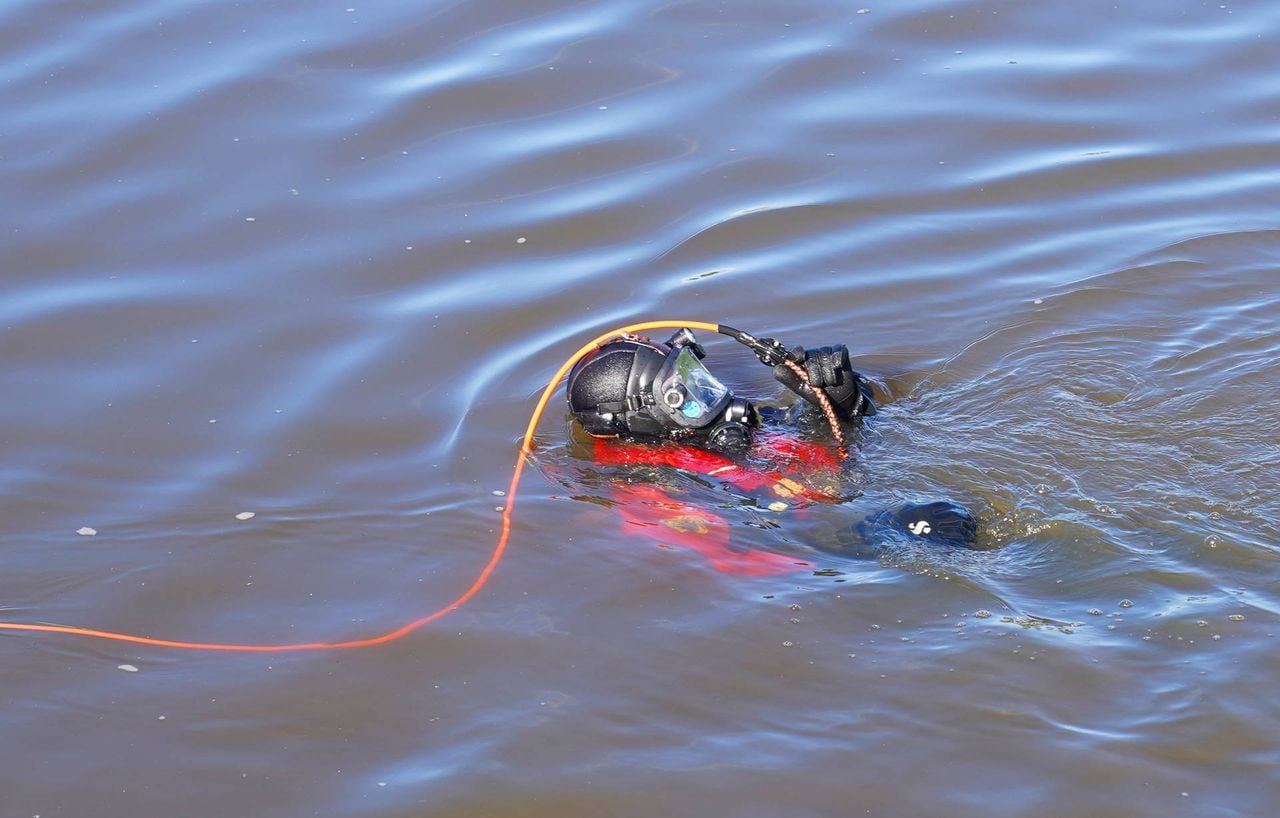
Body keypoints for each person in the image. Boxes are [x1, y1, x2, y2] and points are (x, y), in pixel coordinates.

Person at [564, 327, 977, 574]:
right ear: (639, 419)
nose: (703, 395)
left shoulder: (712, 428)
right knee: (937, 523)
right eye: (681, 393)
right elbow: (747, 561)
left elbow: (814, 449)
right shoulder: (650, 494)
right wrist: (860, 543)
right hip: (841, 541)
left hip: (857, 496)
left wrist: (837, 401)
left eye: (694, 376)